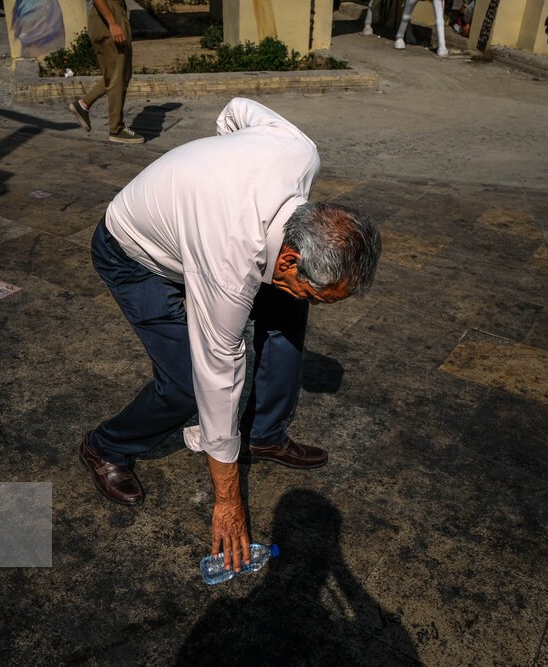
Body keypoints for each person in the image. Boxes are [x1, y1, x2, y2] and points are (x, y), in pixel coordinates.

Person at [79, 97, 382, 574]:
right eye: (321, 294)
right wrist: (228, 500)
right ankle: (106, 446)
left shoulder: (301, 152)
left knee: (287, 315)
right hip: (132, 252)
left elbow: (237, 110)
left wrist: (219, 168)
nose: (323, 304)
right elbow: (218, 372)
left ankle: (263, 435)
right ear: (288, 261)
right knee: (185, 384)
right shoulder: (228, 262)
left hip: (214, 236)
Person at [69, 0, 144, 144]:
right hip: (109, 14)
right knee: (119, 73)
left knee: (121, 72)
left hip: (112, 13)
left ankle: (83, 104)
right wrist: (113, 23)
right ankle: (116, 128)